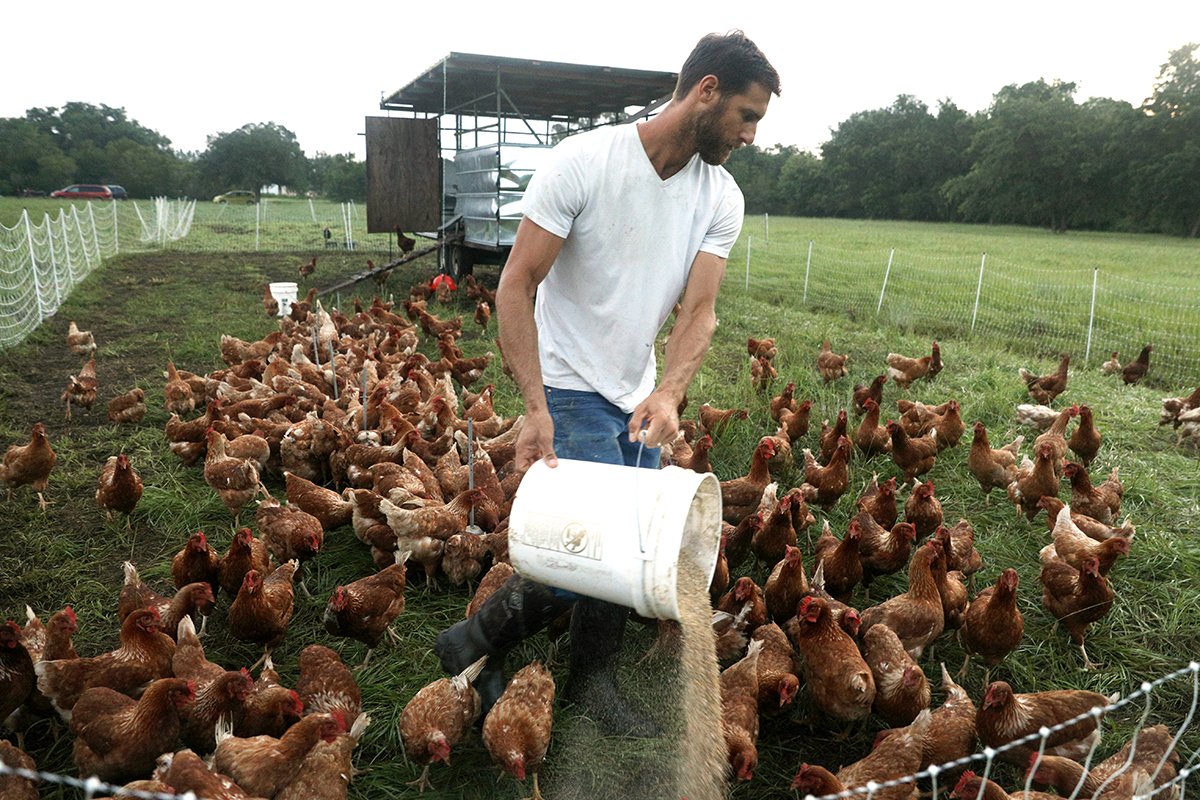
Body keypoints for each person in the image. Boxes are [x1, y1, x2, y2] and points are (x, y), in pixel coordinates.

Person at [434, 30, 780, 737]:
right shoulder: (585, 162)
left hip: (638, 392)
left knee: (633, 553)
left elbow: (700, 310)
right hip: (566, 381)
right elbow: (516, 284)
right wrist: (533, 406)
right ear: (706, 90)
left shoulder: (721, 196)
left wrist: (671, 392)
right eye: (747, 116)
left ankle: (591, 680)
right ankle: (469, 643)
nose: (750, 135)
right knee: (589, 549)